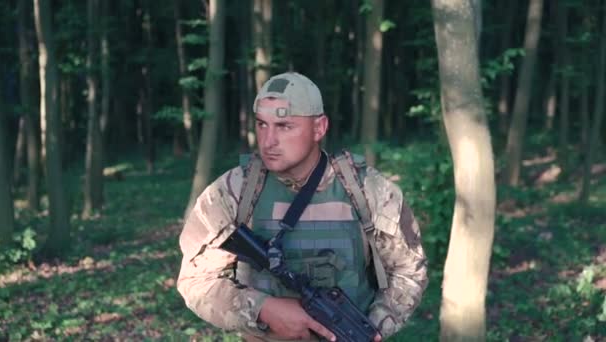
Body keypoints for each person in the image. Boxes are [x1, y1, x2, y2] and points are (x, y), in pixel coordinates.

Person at [177, 72, 428, 341]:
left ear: (319, 128)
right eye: (262, 124)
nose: (268, 140)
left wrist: (374, 326)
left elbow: (409, 269)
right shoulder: (235, 191)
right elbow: (195, 280)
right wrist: (263, 309)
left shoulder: (367, 190)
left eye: (284, 126)